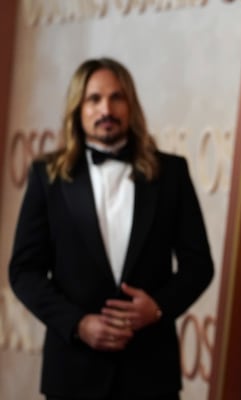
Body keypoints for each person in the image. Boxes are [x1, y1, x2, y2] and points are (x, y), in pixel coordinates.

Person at [9, 57, 214, 400]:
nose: (107, 108)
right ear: (78, 108)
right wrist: (77, 324)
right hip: (72, 373)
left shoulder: (172, 173)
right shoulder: (48, 177)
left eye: (117, 97)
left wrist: (159, 307)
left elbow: (199, 265)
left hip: (151, 372)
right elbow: (24, 271)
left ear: (131, 104)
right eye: (95, 99)